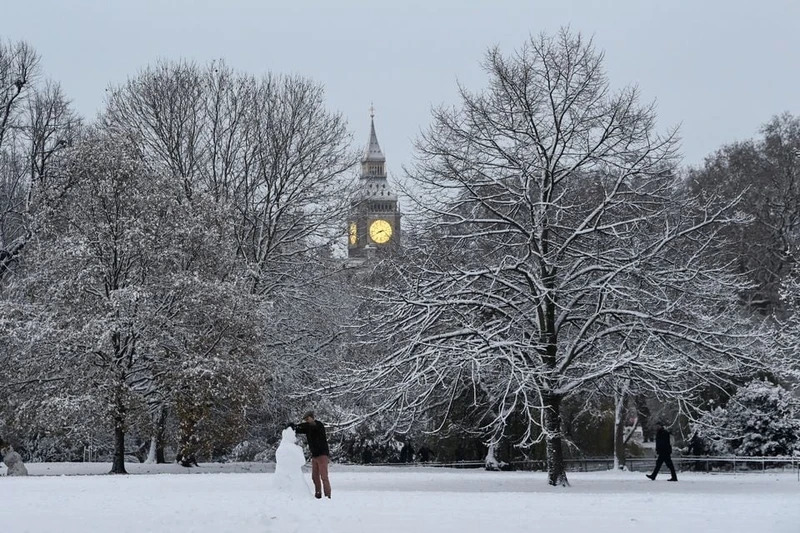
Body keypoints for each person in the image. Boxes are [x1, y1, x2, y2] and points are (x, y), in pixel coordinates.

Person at [291, 411, 331, 499]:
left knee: (324, 476)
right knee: (314, 477)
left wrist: (298, 425)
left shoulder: (318, 425)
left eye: (307, 419)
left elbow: (310, 426)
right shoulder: (308, 427)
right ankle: (318, 495)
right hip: (314, 456)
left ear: (312, 417)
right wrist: (292, 427)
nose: (306, 421)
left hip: (322, 455)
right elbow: (300, 429)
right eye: (305, 420)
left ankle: (328, 496)